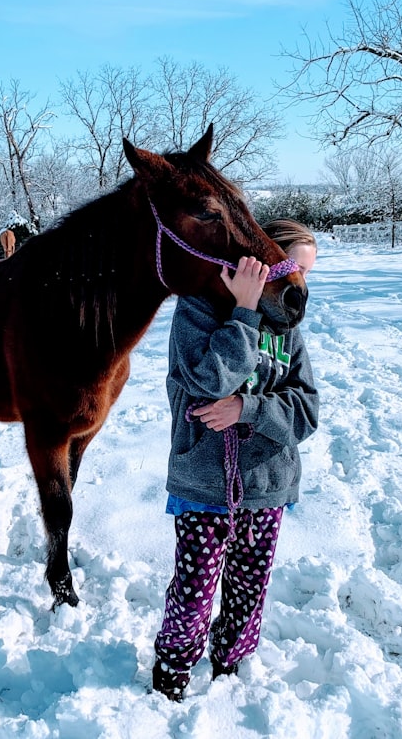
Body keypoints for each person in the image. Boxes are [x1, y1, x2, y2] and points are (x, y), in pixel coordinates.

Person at [151, 222, 320, 702]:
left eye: (309, 274)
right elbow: (207, 380)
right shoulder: (197, 313)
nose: (300, 287)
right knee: (193, 592)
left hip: (266, 483)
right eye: (294, 270)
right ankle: (173, 669)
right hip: (203, 485)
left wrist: (249, 409)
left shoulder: (289, 333)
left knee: (249, 590)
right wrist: (245, 312)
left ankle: (230, 663)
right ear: (261, 263)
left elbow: (306, 412)